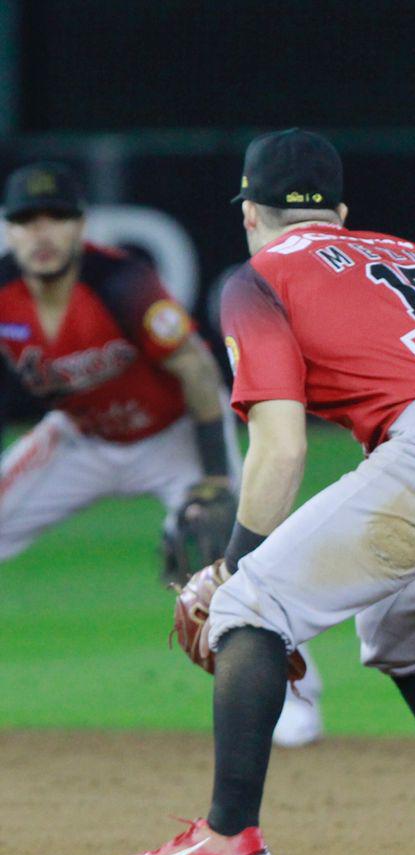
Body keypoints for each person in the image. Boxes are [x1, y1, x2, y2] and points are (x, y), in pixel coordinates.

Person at [99, 129, 415, 855]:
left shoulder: (259, 278)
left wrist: (232, 569)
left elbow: (281, 448)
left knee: (251, 606)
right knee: (401, 636)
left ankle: (226, 838)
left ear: (250, 213)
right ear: (341, 213)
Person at [0, 162, 323, 748]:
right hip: (80, 436)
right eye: (26, 220)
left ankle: (294, 697)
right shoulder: (4, 291)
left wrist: (216, 478)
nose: (41, 232)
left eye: (56, 217)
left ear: (81, 226)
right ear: (9, 230)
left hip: (176, 433)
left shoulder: (122, 282)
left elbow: (197, 371)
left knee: (235, 557)